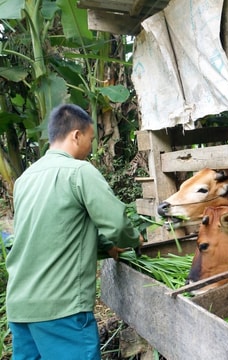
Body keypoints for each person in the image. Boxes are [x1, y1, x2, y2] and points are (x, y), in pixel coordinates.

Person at [6, 104, 144, 359]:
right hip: (61, 309)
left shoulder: (25, 179)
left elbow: (53, 231)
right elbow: (117, 224)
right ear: (76, 135)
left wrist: (106, 247)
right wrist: (134, 239)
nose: (91, 148)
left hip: (21, 307)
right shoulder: (79, 172)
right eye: (91, 139)